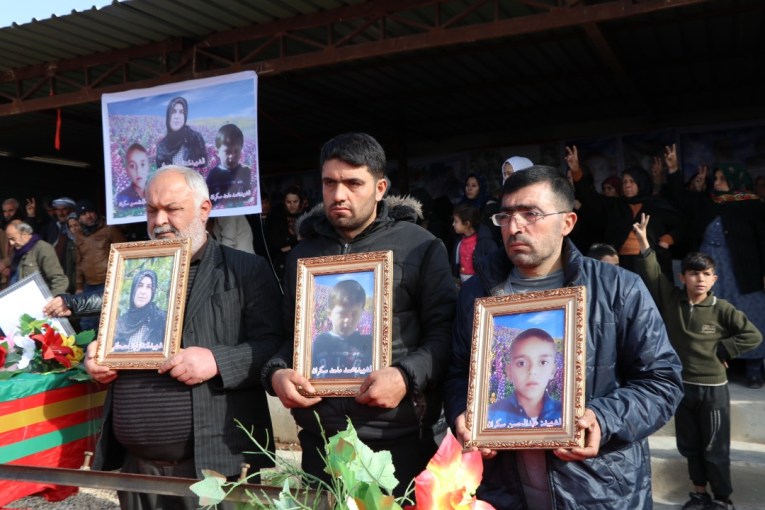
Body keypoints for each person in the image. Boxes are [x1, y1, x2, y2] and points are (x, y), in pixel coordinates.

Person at [43, 166, 284, 510]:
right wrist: (97, 355)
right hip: (136, 469)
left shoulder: (246, 270)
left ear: (204, 210)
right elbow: (111, 339)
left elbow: (274, 347)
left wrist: (218, 360)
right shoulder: (130, 269)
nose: (160, 221)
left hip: (215, 467)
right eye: (151, 210)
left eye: (172, 209)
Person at [444, 165, 683, 509]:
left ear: (567, 222)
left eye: (531, 214)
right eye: (506, 216)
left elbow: (663, 381)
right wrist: (461, 416)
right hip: (504, 491)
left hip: (600, 492)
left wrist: (603, 419)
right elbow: (457, 374)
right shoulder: (477, 295)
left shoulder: (618, 288)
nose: (515, 227)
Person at [261, 132, 456, 497]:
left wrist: (405, 375)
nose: (339, 195)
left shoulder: (420, 246)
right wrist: (277, 374)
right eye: (329, 183)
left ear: (380, 187)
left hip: (398, 439)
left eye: (354, 183)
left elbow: (446, 333)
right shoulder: (302, 255)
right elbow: (288, 337)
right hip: (321, 441)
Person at [633, 213, 761, 510]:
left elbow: (752, 335)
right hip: (683, 388)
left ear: (714, 278)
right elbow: (652, 276)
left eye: (705, 274)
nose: (699, 279)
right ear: (683, 276)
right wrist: (643, 242)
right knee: (689, 446)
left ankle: (722, 499)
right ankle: (698, 493)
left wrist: (724, 349)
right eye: (693, 273)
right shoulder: (673, 301)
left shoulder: (722, 309)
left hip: (713, 389)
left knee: (715, 448)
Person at [663, 146, 765, 389]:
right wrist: (674, 170)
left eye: (722, 178)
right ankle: (717, 363)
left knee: (749, 314)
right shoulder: (707, 202)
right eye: (716, 178)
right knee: (712, 315)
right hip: (709, 268)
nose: (716, 182)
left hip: (743, 272)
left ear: (735, 180)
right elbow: (680, 199)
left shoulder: (753, 205)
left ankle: (753, 369)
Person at [567, 145, 684, 279]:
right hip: (621, 264)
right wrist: (576, 171)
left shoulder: (655, 205)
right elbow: (591, 198)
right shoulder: (617, 205)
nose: (627, 185)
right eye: (624, 182)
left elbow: (680, 221)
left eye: (632, 181)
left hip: (652, 263)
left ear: (642, 182)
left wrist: (667, 240)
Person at [487, 328, 561, 429]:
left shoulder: (565, 413)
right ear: (509, 371)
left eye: (543, 362)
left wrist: (591, 407)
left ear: (553, 371)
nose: (532, 371)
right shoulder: (491, 415)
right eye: (521, 363)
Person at [74, 199, 127, 331]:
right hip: (89, 285)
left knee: (111, 321)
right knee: (87, 323)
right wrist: (79, 286)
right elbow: (79, 262)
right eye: (83, 214)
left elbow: (125, 251)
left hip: (109, 282)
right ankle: (88, 351)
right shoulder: (79, 235)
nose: (88, 216)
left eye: (91, 212)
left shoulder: (109, 229)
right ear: (79, 218)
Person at [311, 279, 373, 379]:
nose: (347, 320)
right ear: (329, 314)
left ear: (362, 313)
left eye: (354, 314)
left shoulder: (369, 343)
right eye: (342, 314)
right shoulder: (319, 342)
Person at [5, 220, 69, 295]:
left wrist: (51, 301)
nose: (11, 243)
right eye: (9, 239)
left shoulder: (42, 248)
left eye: (13, 239)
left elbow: (59, 279)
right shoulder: (16, 252)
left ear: (24, 233)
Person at [112, 269, 167, 352]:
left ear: (153, 292)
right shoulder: (120, 323)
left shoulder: (161, 319)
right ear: (133, 288)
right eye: (139, 285)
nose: (143, 291)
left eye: (149, 287)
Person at [205, 124, 253, 207]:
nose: (232, 156)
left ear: (241, 151)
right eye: (227, 152)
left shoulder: (246, 171)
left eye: (236, 151)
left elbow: (250, 196)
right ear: (217, 152)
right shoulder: (213, 175)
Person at [155, 96, 208, 169]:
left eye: (181, 112)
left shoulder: (195, 138)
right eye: (173, 112)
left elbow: (203, 169)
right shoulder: (162, 147)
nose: (177, 116)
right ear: (168, 116)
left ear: (185, 116)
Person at [451, 202, 497, 283]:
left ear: (467, 224)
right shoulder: (459, 241)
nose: (453, 224)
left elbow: (493, 266)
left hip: (480, 283)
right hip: (461, 283)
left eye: (456, 221)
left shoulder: (485, 242)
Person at [115, 143, 150, 209]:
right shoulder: (121, 198)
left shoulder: (157, 193)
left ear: (148, 166)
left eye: (142, 164)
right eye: (132, 166)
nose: (138, 171)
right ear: (127, 171)